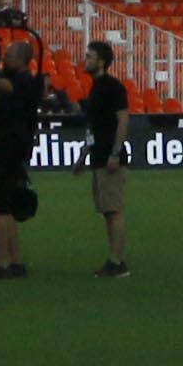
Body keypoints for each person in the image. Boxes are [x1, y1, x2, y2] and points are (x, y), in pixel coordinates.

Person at [0, 48, 46, 280]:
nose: (5, 58)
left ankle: (3, 263)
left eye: (10, 55)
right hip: (10, 151)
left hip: (5, 152)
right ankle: (15, 261)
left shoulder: (23, 81)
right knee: (7, 208)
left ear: (22, 60)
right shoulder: (21, 81)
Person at [79, 38, 133, 278]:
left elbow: (123, 119)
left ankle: (117, 261)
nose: (85, 59)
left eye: (89, 56)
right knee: (107, 210)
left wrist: (115, 152)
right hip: (99, 155)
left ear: (101, 61)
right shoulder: (96, 87)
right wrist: (84, 154)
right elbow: (96, 127)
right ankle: (114, 258)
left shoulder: (112, 86)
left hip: (110, 157)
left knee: (114, 209)